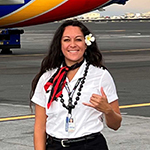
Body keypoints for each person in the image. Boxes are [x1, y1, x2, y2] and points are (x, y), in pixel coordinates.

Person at [30, 20, 122, 150]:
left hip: (90, 146)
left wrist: (107, 110)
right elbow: (39, 127)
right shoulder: (47, 78)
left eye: (78, 40)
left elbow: (116, 125)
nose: (72, 45)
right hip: (55, 146)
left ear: (86, 44)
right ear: (60, 45)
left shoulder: (101, 75)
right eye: (67, 40)